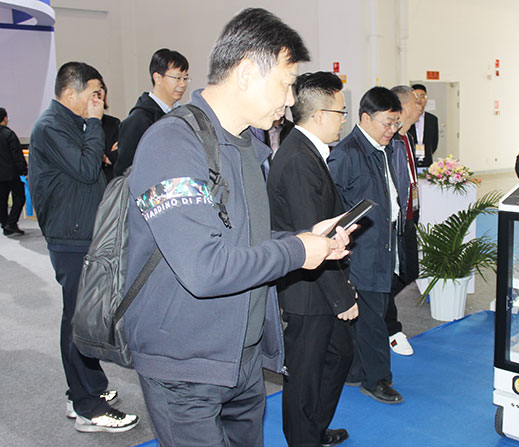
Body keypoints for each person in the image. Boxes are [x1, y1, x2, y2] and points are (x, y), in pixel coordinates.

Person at [123, 9, 354, 447]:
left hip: (241, 360)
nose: (291, 100)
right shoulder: (172, 144)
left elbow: (247, 243)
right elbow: (204, 268)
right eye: (286, 84)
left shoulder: (246, 146)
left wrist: (308, 242)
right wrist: (297, 251)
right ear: (247, 73)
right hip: (185, 366)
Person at [28, 62, 139, 433]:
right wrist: (93, 126)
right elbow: (87, 169)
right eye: (94, 95)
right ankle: (87, 407)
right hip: (70, 239)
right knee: (78, 319)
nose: (100, 103)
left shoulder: (67, 125)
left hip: (80, 234)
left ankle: (88, 388)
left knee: (86, 314)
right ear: (69, 92)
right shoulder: (50, 126)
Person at [268, 71, 358, 447]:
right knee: (304, 375)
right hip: (307, 287)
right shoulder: (299, 160)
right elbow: (311, 241)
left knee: (338, 354)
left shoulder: (307, 152)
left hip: (318, 283)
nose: (344, 120)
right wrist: (343, 298)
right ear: (320, 114)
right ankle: (304, 438)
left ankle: (314, 430)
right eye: (341, 112)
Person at [328, 86, 408, 405]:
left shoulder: (380, 148)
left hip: (381, 245)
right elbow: (331, 204)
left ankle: (356, 371)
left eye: (396, 123)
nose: (392, 130)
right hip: (361, 251)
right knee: (374, 318)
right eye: (387, 123)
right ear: (365, 118)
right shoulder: (347, 153)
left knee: (366, 314)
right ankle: (378, 380)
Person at [385, 85, 423, 356]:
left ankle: (377, 306)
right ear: (402, 106)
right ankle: (390, 327)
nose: (420, 106)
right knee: (390, 275)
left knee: (410, 272)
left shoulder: (407, 137)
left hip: (410, 215)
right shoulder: (390, 140)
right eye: (415, 102)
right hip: (394, 220)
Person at [113, 48, 189, 176]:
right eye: (177, 78)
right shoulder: (139, 120)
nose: (182, 84)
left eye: (185, 78)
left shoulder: (184, 115)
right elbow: (125, 171)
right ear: (157, 78)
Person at [0, 107, 28, 236]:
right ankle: (11, 223)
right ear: (5, 118)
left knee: (2, 200)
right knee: (20, 196)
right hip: (11, 173)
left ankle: (5, 224)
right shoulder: (9, 134)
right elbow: (16, 154)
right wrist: (23, 170)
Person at [407, 83, 439, 167]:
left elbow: (434, 143)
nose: (419, 99)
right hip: (409, 160)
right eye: (416, 96)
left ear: (426, 99)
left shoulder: (432, 119)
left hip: (427, 160)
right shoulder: (407, 118)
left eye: (422, 96)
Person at [99, 81, 120, 182]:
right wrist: (104, 157)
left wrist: (105, 157)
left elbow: (120, 156)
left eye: (101, 88)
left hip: (111, 182)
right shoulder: (76, 125)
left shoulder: (113, 123)